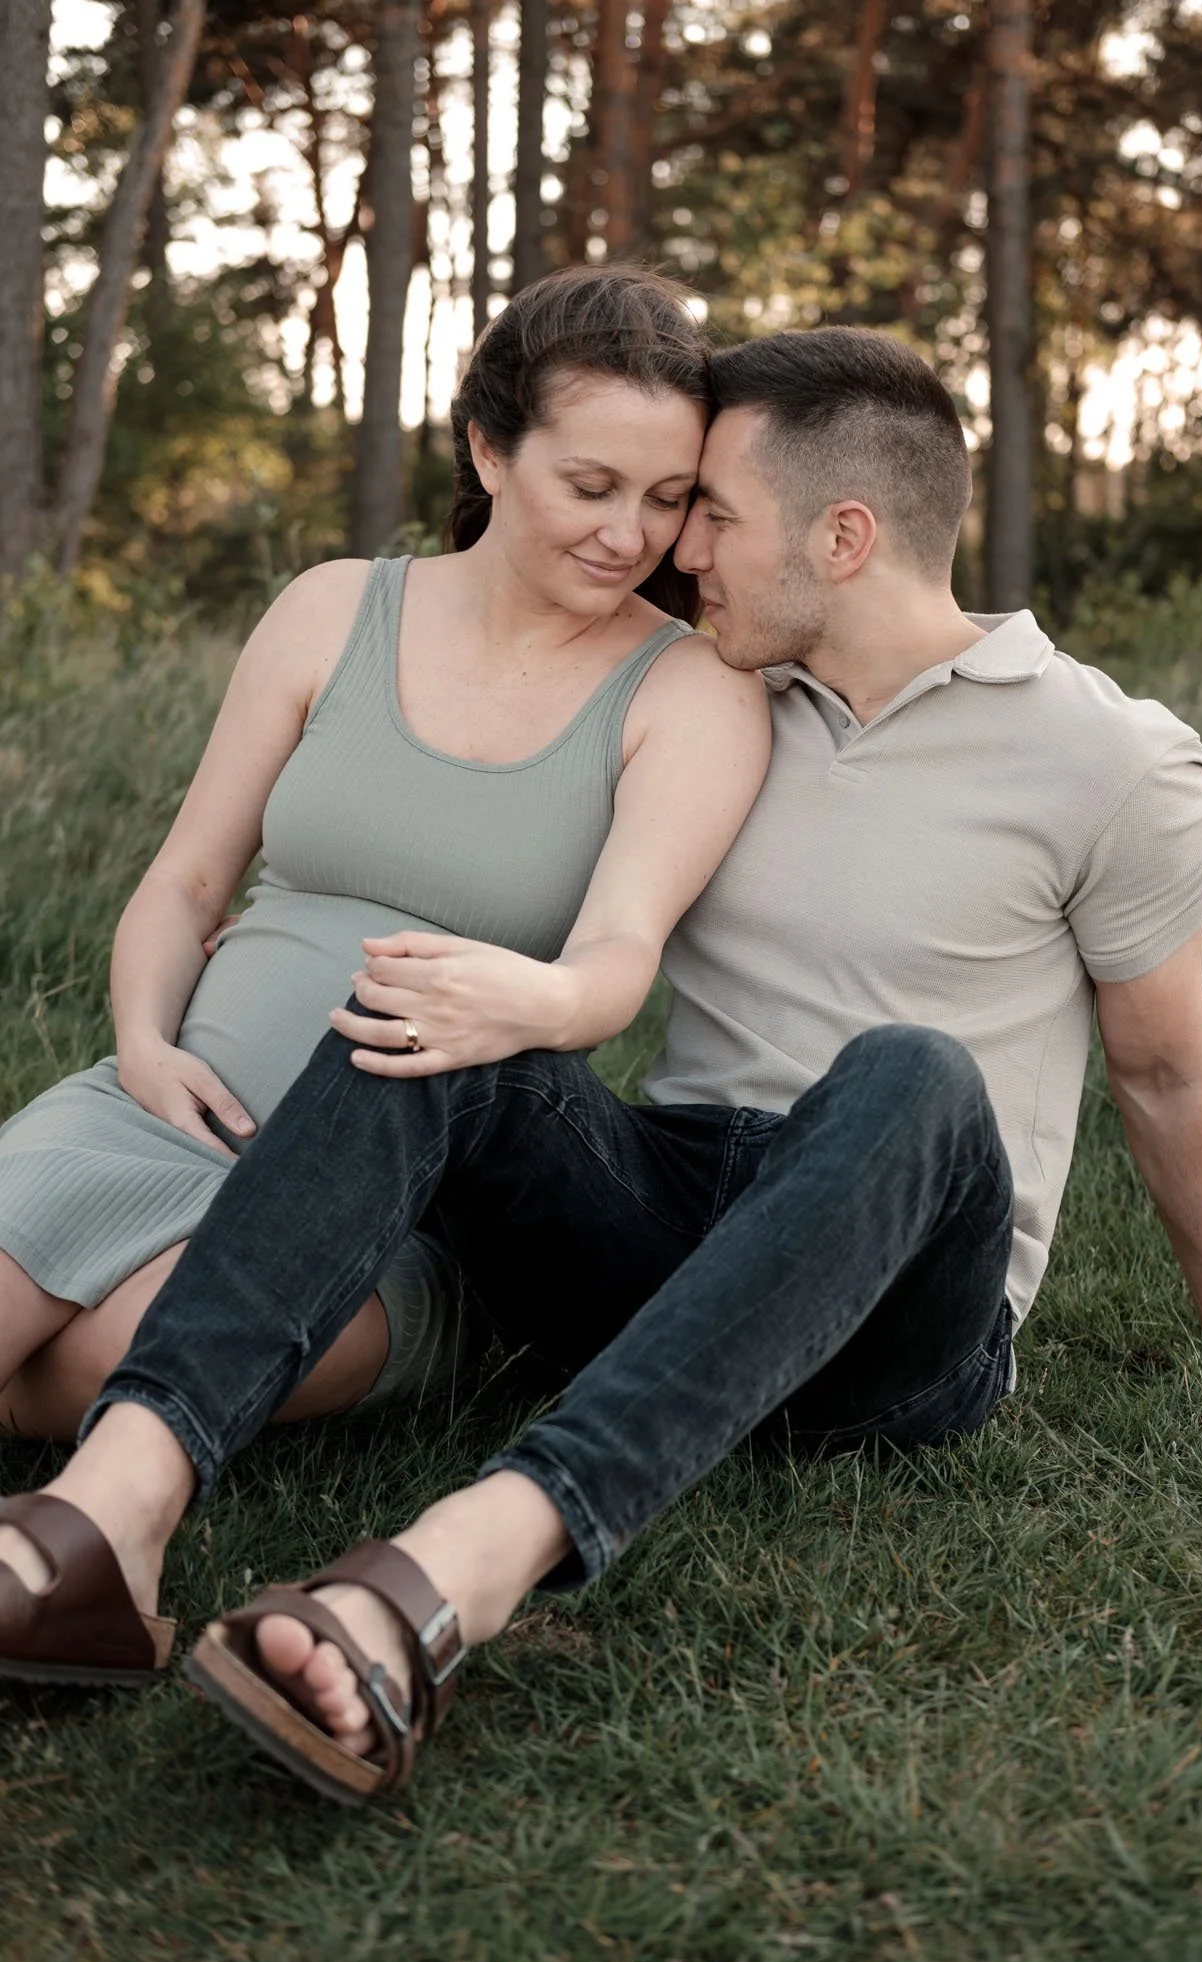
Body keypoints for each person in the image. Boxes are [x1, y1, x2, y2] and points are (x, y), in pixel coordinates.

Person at [2, 324, 1202, 1804]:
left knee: (914, 1073)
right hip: (677, 1200)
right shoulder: (722, 698)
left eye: (711, 511)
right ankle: (109, 1520)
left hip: (901, 1284)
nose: (675, 547)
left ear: (842, 535)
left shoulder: (1115, 761)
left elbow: (1164, 1069)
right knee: (452, 998)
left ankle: (448, 1575)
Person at [0, 265, 769, 1444]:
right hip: (162, 1111)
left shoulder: (686, 692)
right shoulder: (333, 607)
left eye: (666, 497)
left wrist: (534, 995)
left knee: (89, 1374)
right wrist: (147, 1049)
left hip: (402, 1201)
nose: (630, 534)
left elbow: (617, 961)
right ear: (489, 451)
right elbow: (187, 880)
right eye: (591, 484)